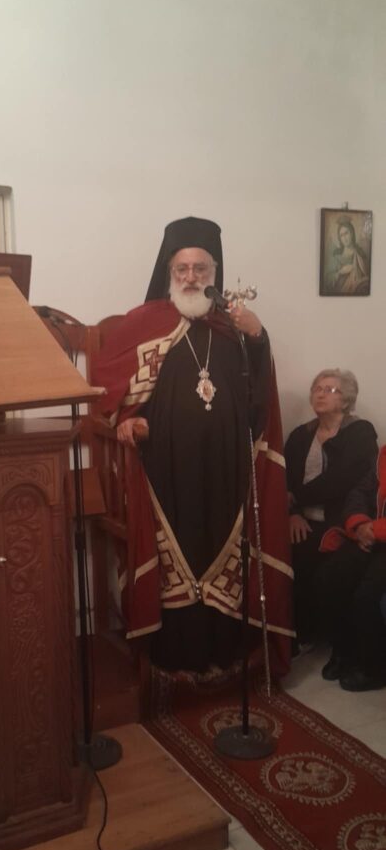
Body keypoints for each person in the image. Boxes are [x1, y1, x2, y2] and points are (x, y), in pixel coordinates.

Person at [93, 216, 292, 677]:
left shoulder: (233, 326)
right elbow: (110, 389)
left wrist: (258, 336)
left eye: (200, 268)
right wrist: (129, 419)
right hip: (167, 464)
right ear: (169, 272)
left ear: (215, 272)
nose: (190, 277)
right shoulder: (144, 322)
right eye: (181, 268)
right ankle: (174, 654)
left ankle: (226, 649)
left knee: (223, 545)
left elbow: (259, 398)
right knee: (178, 550)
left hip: (227, 462)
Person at [284, 369, 377, 650]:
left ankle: (337, 643)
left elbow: (340, 481)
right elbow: (284, 479)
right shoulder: (300, 435)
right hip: (304, 521)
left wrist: (295, 498)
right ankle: (299, 636)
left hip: (345, 523)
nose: (321, 394)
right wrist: (292, 513)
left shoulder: (360, 432)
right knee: (286, 563)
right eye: (318, 389)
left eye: (331, 390)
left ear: (346, 400)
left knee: (330, 576)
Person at [316, 447, 386, 691]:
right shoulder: (382, 456)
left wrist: (374, 530)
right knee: (331, 576)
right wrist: (359, 525)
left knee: (367, 594)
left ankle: (374, 668)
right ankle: (343, 651)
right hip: (371, 536)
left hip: (378, 536)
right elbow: (359, 493)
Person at [327, 219, 370, 296]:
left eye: (346, 233)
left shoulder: (360, 255)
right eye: (341, 235)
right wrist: (340, 272)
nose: (344, 238)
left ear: (352, 233)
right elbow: (327, 280)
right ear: (339, 238)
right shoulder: (336, 256)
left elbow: (367, 279)